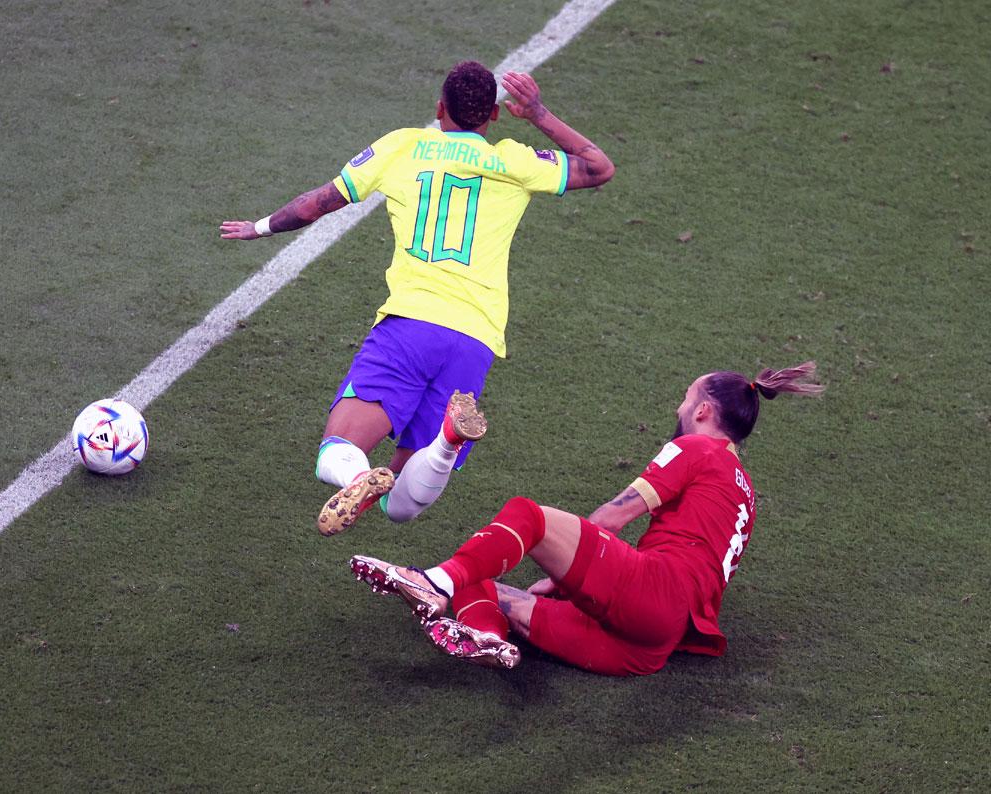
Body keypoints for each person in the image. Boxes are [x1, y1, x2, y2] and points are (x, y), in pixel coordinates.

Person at [220, 62, 615, 536]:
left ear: (439, 108)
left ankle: (359, 477)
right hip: (475, 340)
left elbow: (319, 202)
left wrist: (259, 227)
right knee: (402, 506)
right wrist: (538, 113)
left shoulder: (403, 145)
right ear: (494, 115)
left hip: (410, 327)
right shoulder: (515, 161)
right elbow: (599, 167)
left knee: (337, 452)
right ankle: (448, 442)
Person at [350, 362, 825, 675]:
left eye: (685, 400)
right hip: (649, 647)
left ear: (703, 411)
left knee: (527, 515)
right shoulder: (744, 487)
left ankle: (432, 581)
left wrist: (560, 576)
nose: (678, 408)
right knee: (485, 580)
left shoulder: (697, 447)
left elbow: (612, 519)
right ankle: (486, 637)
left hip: (654, 593)